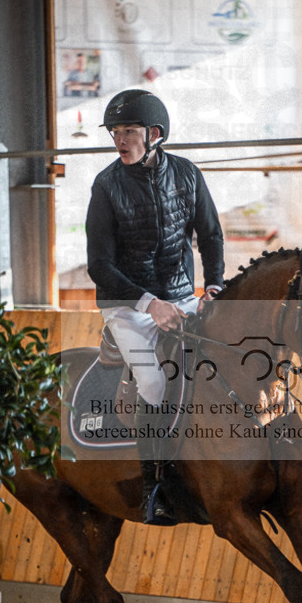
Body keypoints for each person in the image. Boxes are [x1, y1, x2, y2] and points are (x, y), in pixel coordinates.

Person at [86, 89, 225, 524]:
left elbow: (211, 234)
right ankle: (155, 487)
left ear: (155, 134)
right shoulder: (106, 186)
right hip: (125, 304)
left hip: (182, 295)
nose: (119, 139)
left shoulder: (186, 174)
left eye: (128, 131)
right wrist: (150, 305)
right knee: (153, 384)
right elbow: (99, 266)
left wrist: (215, 285)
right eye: (115, 131)